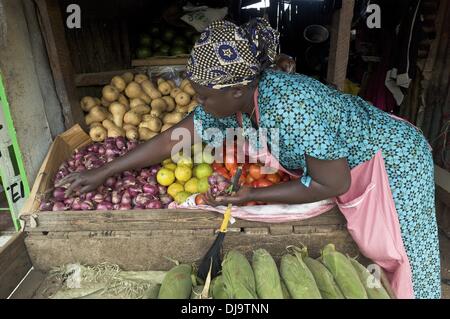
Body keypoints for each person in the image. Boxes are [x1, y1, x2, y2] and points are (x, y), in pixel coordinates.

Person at [59, 18, 440, 298]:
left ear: (239, 89)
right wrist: (105, 171)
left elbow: (332, 183)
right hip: (352, 164)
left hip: (393, 160)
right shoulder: (238, 100)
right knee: (382, 253)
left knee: (405, 258)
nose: (200, 104)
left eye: (206, 96)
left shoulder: (290, 105)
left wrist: (251, 197)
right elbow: (175, 137)